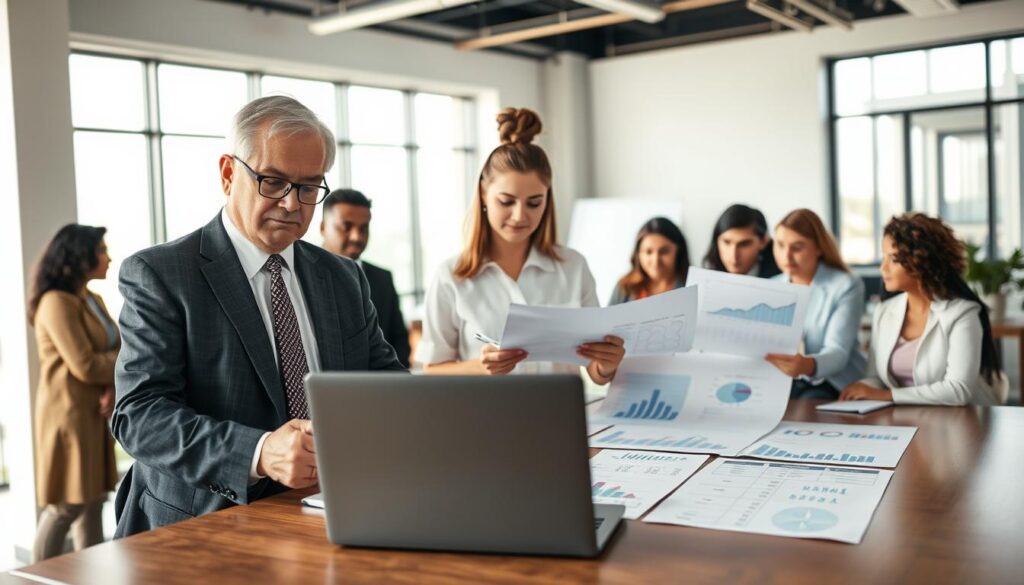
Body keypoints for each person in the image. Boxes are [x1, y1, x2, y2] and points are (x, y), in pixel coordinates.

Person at [111, 96, 405, 537]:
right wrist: (260, 452)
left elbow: (383, 383)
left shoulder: (343, 277)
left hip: (327, 513)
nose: (291, 204)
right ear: (229, 174)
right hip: (202, 528)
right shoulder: (160, 274)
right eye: (273, 181)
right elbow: (139, 415)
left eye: (308, 188)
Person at [418, 107, 625, 381]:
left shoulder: (573, 266)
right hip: (485, 419)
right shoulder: (451, 276)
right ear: (483, 193)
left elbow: (595, 372)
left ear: (547, 200)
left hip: (558, 414)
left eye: (534, 203)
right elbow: (432, 370)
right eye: (506, 201)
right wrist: (481, 367)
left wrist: (607, 365)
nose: (519, 216)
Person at [840, 214, 1007, 405]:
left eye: (893, 259)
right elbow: (876, 377)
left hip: (959, 423)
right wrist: (860, 388)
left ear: (920, 262)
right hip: (906, 420)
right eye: (883, 258)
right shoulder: (884, 311)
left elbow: (958, 390)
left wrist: (888, 396)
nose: (883, 268)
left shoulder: (962, 314)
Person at [27, 224, 118, 561]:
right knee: (67, 505)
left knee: (93, 502)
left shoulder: (91, 298)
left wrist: (112, 384)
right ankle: (35, 578)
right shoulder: (56, 302)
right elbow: (86, 364)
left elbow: (117, 349)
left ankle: (88, 576)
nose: (108, 258)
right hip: (69, 417)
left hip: (95, 411)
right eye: (101, 251)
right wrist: (116, 370)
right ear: (80, 257)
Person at [766, 209, 865, 400]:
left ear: (818, 248)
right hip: (784, 379)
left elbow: (838, 352)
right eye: (779, 245)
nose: (786, 256)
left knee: (807, 403)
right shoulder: (771, 285)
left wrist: (806, 365)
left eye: (797, 247)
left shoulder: (846, 285)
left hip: (833, 381)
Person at [321, 188, 411, 367]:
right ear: (323, 228)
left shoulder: (383, 278)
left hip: (379, 389)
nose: (356, 236)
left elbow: (399, 341)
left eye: (364, 228)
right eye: (346, 227)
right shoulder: (300, 275)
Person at [610, 217, 690, 304]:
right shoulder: (624, 288)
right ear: (638, 253)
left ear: (679, 250)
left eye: (664, 251)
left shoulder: (692, 287)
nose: (655, 260)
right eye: (648, 252)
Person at [703, 204, 781, 278]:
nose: (734, 255)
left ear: (763, 241)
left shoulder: (782, 280)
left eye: (744, 244)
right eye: (726, 242)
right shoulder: (705, 276)